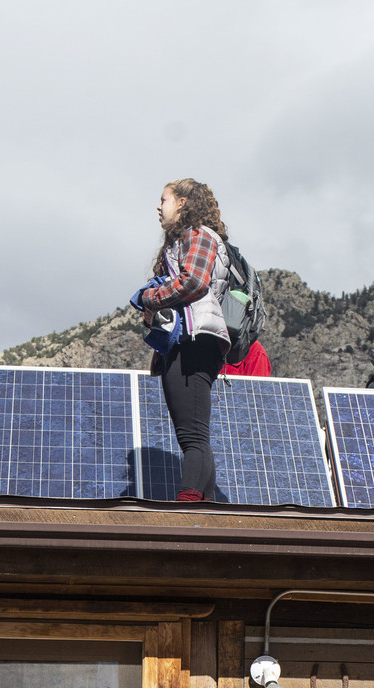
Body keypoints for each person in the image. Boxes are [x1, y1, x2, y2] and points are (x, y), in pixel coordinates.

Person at [134, 179, 232, 502]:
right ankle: (205, 506)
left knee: (192, 436)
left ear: (184, 203)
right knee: (192, 435)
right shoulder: (177, 246)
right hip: (184, 340)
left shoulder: (200, 235)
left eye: (164, 199)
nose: (158, 207)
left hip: (195, 340)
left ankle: (188, 506)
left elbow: (193, 281)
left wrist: (150, 299)